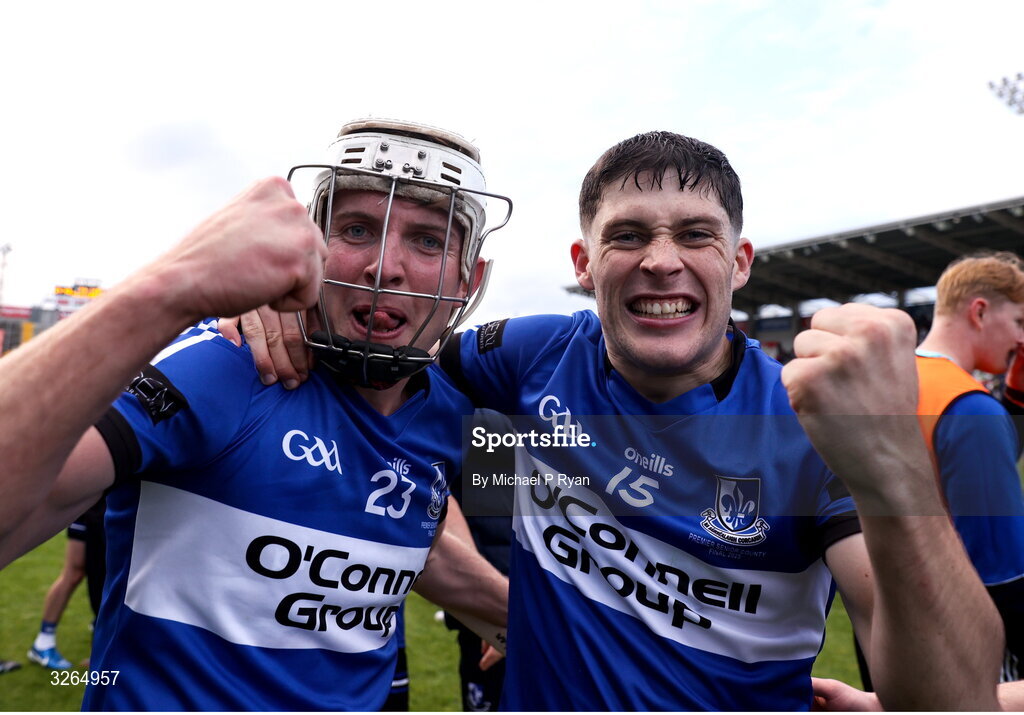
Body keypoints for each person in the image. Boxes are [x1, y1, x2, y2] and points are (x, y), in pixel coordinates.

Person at [247, 130, 1003, 710]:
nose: (661, 260)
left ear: (739, 262)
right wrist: (277, 306)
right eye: (629, 235)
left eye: (696, 234)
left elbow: (954, 700)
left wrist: (895, 469)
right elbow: (378, 358)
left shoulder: (801, 420)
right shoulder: (529, 355)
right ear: (584, 261)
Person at [0, 119, 508, 710]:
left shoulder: (446, 409)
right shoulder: (229, 366)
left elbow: (394, 539)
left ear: (468, 278)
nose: (385, 266)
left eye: (427, 240)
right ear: (313, 246)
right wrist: (172, 288)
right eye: (357, 228)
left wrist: (521, 620)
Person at [27, 499, 106, 670]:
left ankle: (102, 645)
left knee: (106, 574)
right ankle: (44, 641)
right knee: (75, 571)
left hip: (108, 504)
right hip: (90, 504)